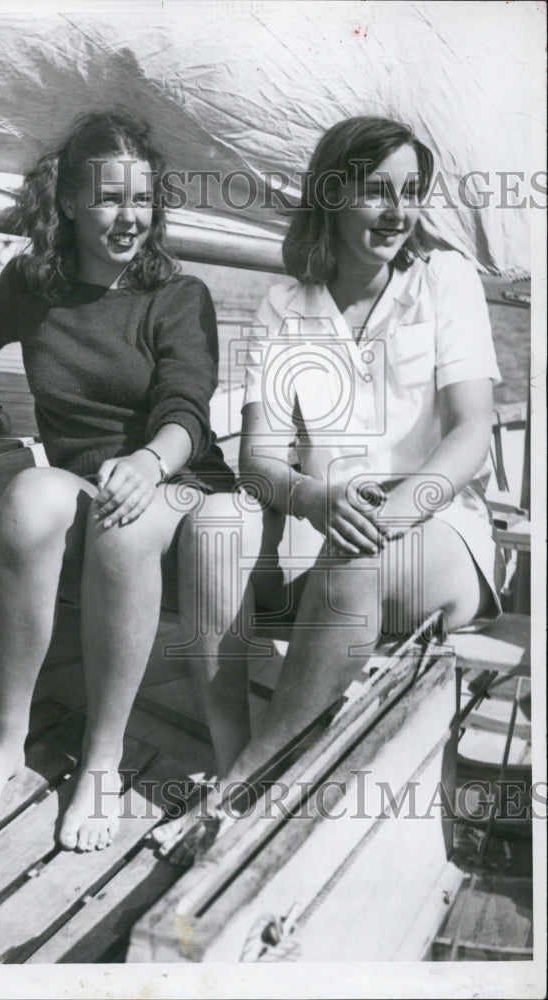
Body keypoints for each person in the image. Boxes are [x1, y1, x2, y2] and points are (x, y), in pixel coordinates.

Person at [0, 110, 243, 852]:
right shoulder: (37, 283)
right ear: (66, 202)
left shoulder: (178, 294)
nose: (129, 217)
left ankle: (100, 761)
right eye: (108, 198)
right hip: (92, 485)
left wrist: (149, 461)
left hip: (184, 482)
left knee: (122, 530)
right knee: (30, 494)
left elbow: (187, 409)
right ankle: (5, 740)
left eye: (142, 199)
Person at [151, 115, 504, 862]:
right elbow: (259, 461)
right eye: (376, 191)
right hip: (327, 527)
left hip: (441, 536)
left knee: (355, 564)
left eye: (409, 192)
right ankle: (234, 753)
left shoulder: (443, 280)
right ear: (332, 194)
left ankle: (247, 790)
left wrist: (387, 516)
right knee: (214, 522)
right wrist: (318, 501)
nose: (395, 210)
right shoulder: (287, 306)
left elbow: (471, 431)